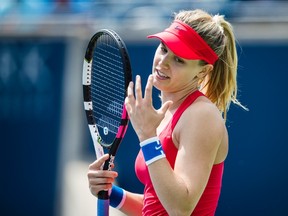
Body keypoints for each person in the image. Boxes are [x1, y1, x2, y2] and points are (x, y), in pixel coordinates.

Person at [87, 9, 247, 215]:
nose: (163, 62)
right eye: (163, 49)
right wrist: (111, 193)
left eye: (179, 60)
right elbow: (157, 205)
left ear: (203, 71)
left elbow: (180, 207)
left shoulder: (201, 115)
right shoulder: (168, 116)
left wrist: (147, 136)